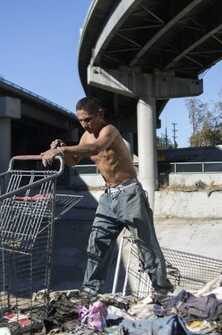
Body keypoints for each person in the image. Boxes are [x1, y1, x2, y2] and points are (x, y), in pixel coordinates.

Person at [40, 96, 174, 303]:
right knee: (97, 241)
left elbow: (96, 148)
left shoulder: (108, 131)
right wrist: (62, 149)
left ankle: (162, 290)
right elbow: (73, 161)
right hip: (108, 198)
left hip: (130, 195)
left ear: (100, 114)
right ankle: (90, 290)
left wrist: (62, 149)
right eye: (81, 120)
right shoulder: (86, 136)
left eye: (88, 119)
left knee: (146, 245)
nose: (85, 124)